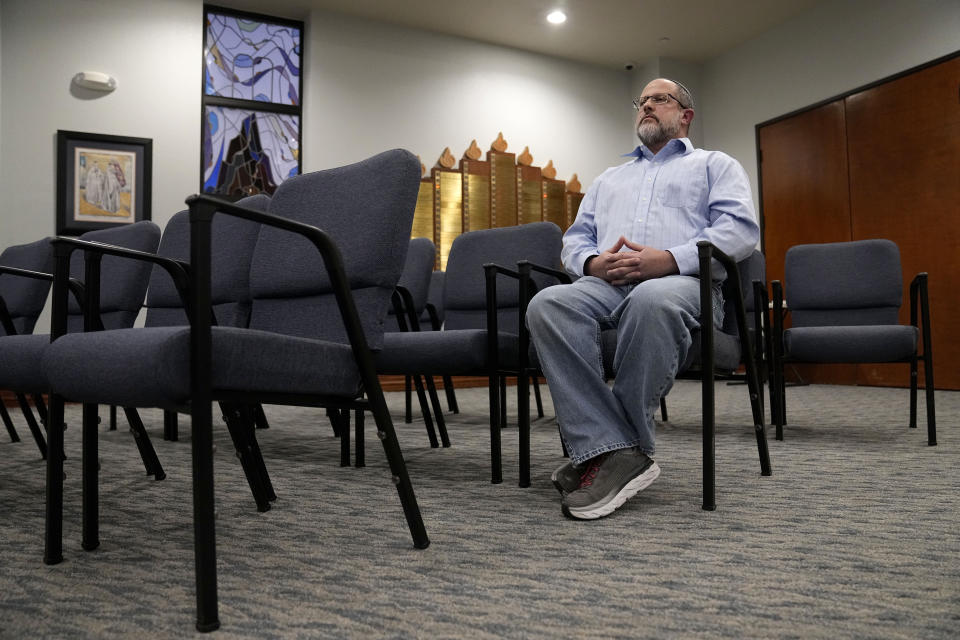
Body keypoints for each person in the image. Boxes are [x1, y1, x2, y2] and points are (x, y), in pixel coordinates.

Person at [526, 78, 759, 520]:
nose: (648, 105)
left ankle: (610, 453)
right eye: (643, 101)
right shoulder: (608, 179)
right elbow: (576, 240)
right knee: (548, 304)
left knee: (651, 297)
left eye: (660, 99)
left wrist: (670, 258)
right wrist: (593, 264)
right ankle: (615, 452)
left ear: (685, 116)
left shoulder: (715, 165)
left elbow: (740, 231)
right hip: (606, 285)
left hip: (686, 284)